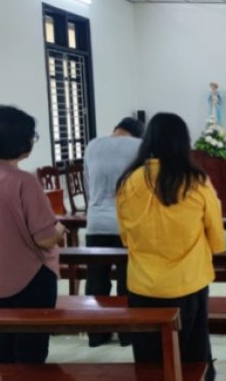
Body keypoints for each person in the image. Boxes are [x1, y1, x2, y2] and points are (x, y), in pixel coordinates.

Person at [116, 112, 225, 380]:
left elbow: (126, 236)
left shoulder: (128, 181)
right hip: (188, 282)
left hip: (143, 284)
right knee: (193, 354)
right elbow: (216, 235)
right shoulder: (196, 181)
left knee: (149, 358)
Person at [0, 104, 67, 363]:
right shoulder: (24, 182)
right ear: (22, 142)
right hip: (30, 280)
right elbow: (44, 239)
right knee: (29, 355)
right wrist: (59, 229)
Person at [83, 117, 143, 347]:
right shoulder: (139, 146)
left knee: (96, 279)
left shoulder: (93, 145)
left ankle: (97, 334)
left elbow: (88, 184)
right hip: (128, 223)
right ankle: (127, 334)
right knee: (127, 279)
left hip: (96, 222)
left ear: (116, 129)